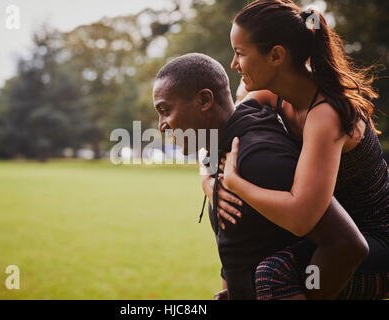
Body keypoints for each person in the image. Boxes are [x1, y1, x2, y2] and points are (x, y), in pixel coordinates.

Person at [152, 52, 368, 299]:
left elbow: (346, 244)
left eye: (165, 110)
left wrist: (307, 295)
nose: (162, 125)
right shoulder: (224, 149)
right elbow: (242, 248)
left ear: (204, 100)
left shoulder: (259, 158)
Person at [212, 0, 388, 299]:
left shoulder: (326, 115)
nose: (234, 64)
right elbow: (225, 131)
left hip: (373, 247)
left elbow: (301, 218)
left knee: (273, 275)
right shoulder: (270, 95)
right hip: (331, 235)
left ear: (276, 55)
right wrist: (208, 181)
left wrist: (235, 185)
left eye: (240, 53)